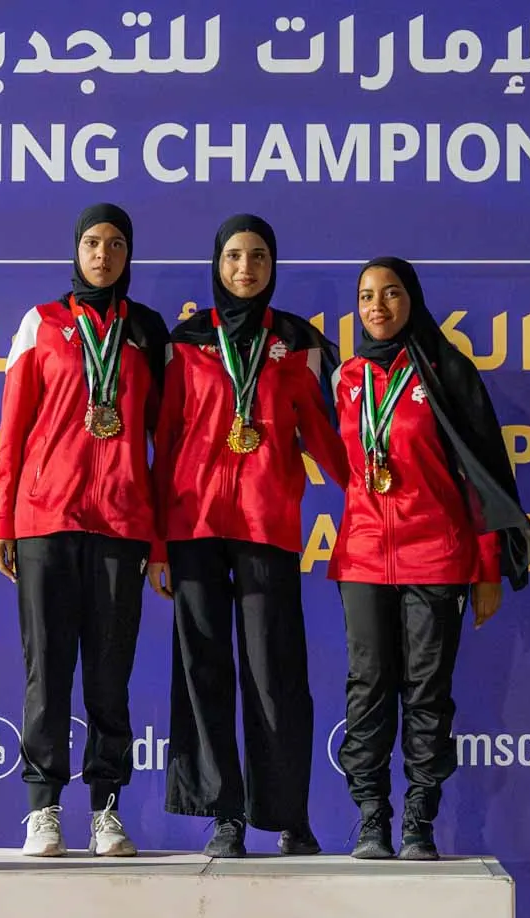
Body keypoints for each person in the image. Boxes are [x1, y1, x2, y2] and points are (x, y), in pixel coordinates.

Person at [153, 213, 349, 858]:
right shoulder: (184, 341)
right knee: (202, 668)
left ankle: (290, 815)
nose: (246, 268)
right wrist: (156, 544)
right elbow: (165, 439)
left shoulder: (296, 340)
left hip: (268, 525)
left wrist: (372, 495)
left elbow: (327, 432)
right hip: (194, 525)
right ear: (217, 263)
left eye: (259, 257)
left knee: (276, 673)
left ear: (273, 266)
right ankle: (223, 814)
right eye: (235, 256)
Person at [328, 258, 530, 860]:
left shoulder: (448, 371)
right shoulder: (347, 378)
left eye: (390, 293)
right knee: (367, 690)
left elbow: (483, 478)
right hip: (365, 556)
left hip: (437, 556)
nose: (377, 306)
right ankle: (371, 818)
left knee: (426, 692)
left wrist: (487, 567)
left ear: (411, 299)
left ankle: (419, 819)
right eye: (366, 296)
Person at [0, 203, 170, 858]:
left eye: (117, 243)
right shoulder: (41, 323)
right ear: (76, 251)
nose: (103, 254)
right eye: (93, 242)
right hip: (45, 519)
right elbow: (13, 427)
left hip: (121, 522)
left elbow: (167, 441)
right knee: (48, 670)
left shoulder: (148, 331)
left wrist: (158, 540)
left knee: (109, 674)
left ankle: (107, 808)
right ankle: (42, 808)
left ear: (129, 256)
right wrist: (2, 516)